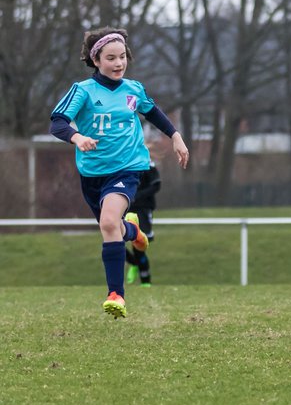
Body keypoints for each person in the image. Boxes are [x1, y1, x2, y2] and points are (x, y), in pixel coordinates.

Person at [49, 28, 190, 318]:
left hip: (127, 169)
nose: (118, 63)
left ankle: (116, 295)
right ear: (96, 60)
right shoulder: (84, 91)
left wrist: (175, 135)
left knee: (109, 221)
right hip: (92, 174)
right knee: (111, 226)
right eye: (110, 58)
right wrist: (77, 138)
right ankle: (134, 230)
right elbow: (58, 122)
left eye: (122, 56)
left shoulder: (133, 90)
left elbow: (153, 113)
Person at [126, 161, 161, 287]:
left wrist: (137, 196)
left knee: (139, 244)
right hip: (124, 206)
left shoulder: (148, 164)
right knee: (114, 240)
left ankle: (146, 282)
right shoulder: (123, 162)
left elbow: (156, 186)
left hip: (143, 209)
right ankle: (134, 262)